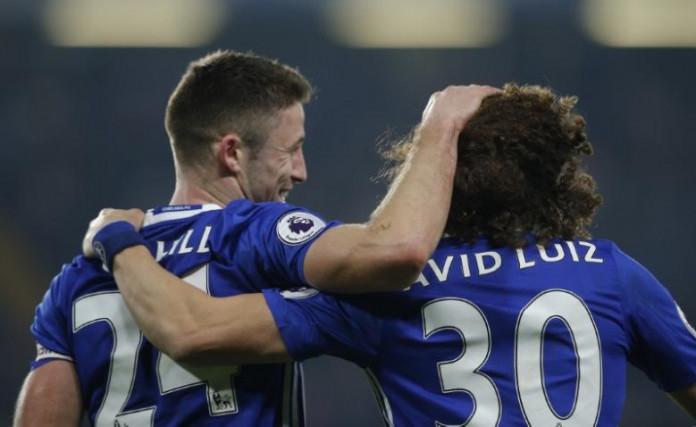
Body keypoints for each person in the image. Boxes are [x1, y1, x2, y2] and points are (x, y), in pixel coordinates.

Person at [80, 84, 696, 425]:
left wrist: (119, 242)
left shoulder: (382, 294)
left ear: (435, 175)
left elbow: (191, 330)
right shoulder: (611, 274)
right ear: (552, 178)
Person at [13, 48, 499, 426]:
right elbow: (394, 250)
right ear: (232, 154)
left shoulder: (77, 280)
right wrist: (440, 127)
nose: (302, 172)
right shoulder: (253, 231)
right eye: (292, 150)